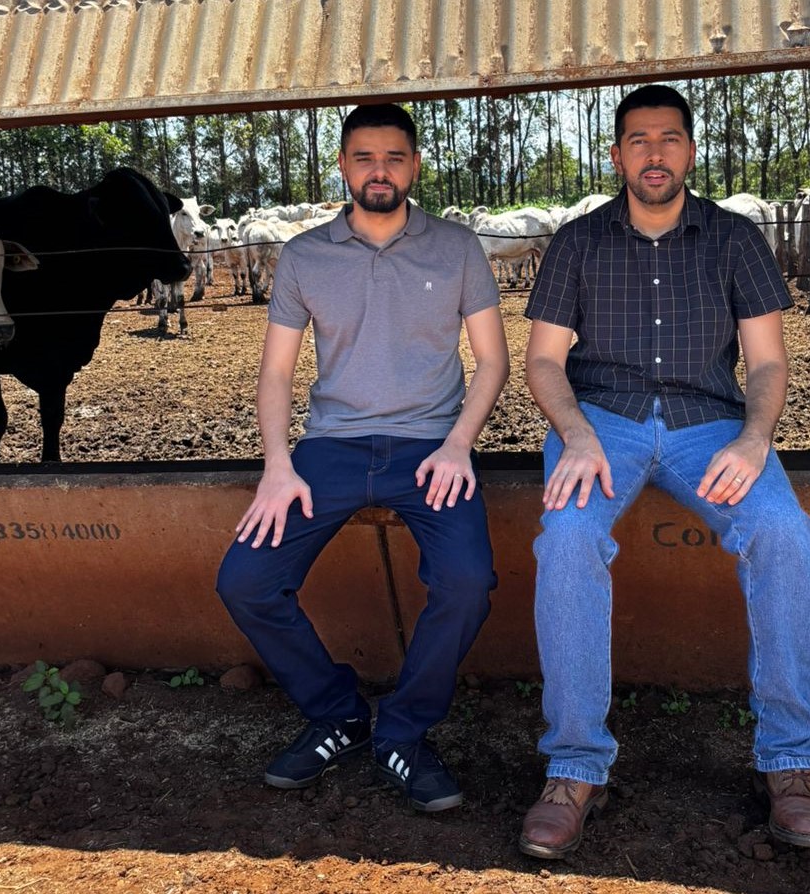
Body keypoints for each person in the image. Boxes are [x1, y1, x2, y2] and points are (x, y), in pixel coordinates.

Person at [517, 84, 810, 857]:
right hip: (602, 423)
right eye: (636, 140)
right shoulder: (577, 241)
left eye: (667, 140)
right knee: (565, 540)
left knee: (785, 534)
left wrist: (755, 438)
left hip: (712, 427)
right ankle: (573, 765)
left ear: (689, 151)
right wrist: (576, 435)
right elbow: (543, 362)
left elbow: (765, 362)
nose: (652, 154)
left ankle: (790, 759)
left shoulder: (734, 239)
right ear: (617, 153)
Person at [216, 103, 508, 813]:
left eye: (395, 157)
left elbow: (493, 361)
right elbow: (278, 374)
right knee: (246, 581)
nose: (380, 170)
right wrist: (278, 465)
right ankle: (338, 715)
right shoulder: (305, 256)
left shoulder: (457, 247)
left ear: (414, 165)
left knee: (467, 583)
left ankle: (403, 733)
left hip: (430, 449)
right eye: (364, 157)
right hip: (330, 449)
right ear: (344, 166)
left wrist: (457, 446)